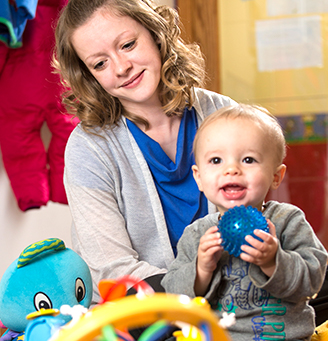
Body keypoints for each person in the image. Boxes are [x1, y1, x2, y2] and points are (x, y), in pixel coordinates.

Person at [53, 0, 236, 304]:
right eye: (100, 63)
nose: (122, 67)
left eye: (127, 44)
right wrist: (196, 290)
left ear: (155, 32)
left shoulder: (223, 113)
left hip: (232, 297)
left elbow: (252, 221)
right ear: (89, 76)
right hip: (146, 309)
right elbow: (115, 271)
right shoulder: (88, 147)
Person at [161, 104, 328, 341]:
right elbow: (174, 299)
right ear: (198, 178)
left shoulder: (288, 220)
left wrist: (273, 261)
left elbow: (313, 281)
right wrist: (201, 270)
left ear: (276, 176)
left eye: (248, 159)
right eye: (216, 160)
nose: (231, 169)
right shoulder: (198, 234)